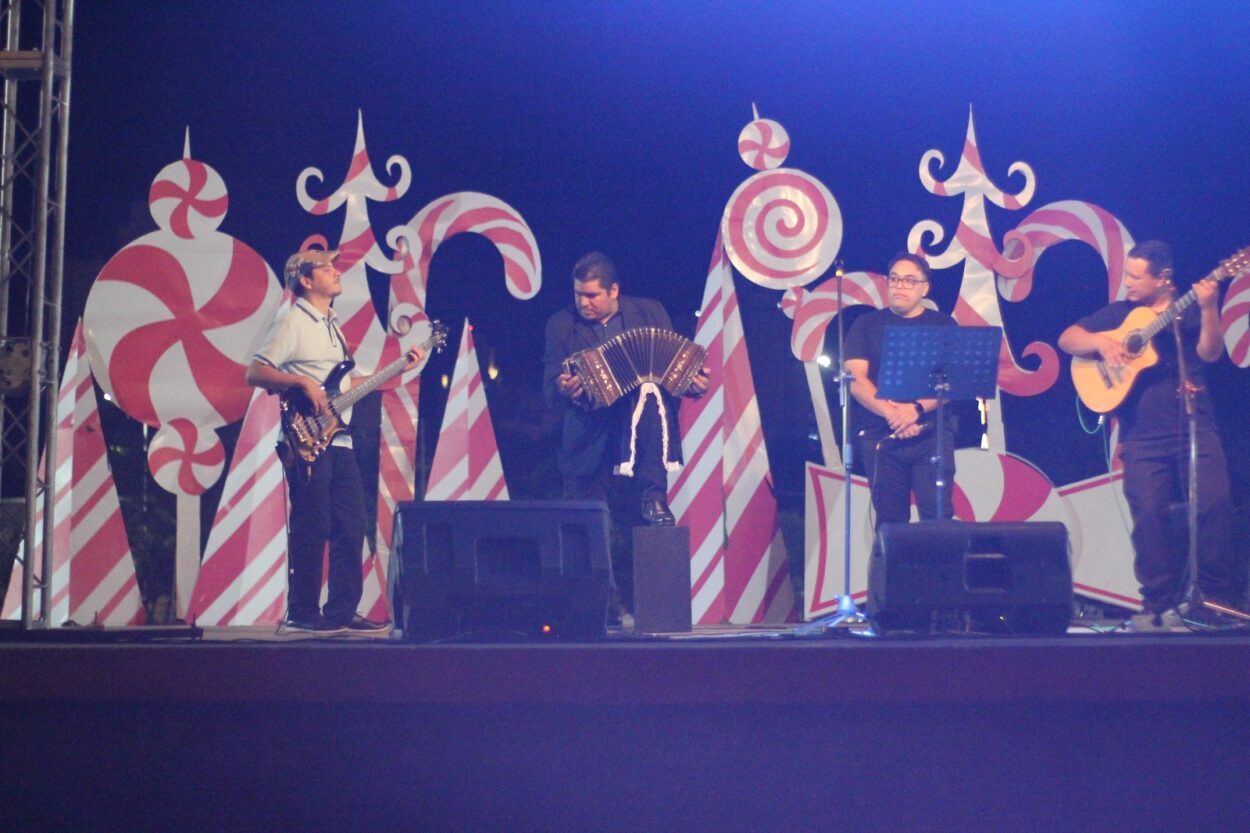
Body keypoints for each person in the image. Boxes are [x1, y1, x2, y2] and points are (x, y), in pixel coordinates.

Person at [246, 249, 425, 634]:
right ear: (306, 280)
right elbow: (256, 372)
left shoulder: (333, 325)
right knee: (314, 522)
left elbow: (342, 388)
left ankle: (341, 612)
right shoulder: (293, 321)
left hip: (339, 438)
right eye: (326, 268)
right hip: (306, 439)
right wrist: (300, 381)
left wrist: (396, 370)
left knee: (352, 522)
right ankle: (302, 611)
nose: (335, 271)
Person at [1058, 240, 1238, 619]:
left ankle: (1215, 599)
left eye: (1136, 277)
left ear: (1163, 279)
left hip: (1193, 423)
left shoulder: (1188, 308)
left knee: (1214, 506)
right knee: (1149, 518)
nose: (1128, 283)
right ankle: (1157, 605)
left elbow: (1210, 353)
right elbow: (1068, 339)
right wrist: (1103, 343)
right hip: (1142, 432)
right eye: (1127, 274)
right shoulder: (1121, 312)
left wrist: (1208, 307)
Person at [543, 251, 708, 525]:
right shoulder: (561, 325)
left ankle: (653, 498)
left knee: (649, 391)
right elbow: (549, 392)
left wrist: (694, 384)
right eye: (578, 294)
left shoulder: (650, 312)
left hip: (643, 449)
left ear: (614, 290)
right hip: (588, 449)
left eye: (592, 295)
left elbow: (669, 369)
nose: (583, 303)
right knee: (584, 541)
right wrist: (563, 389)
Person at [843, 252, 956, 528]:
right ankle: (892, 573)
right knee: (890, 524)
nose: (899, 286)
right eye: (894, 279)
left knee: (938, 518)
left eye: (908, 280)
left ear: (924, 288)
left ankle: (939, 573)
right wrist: (894, 415)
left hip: (931, 436)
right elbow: (855, 379)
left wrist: (915, 410)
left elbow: (952, 380)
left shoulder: (943, 325)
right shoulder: (866, 325)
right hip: (881, 438)